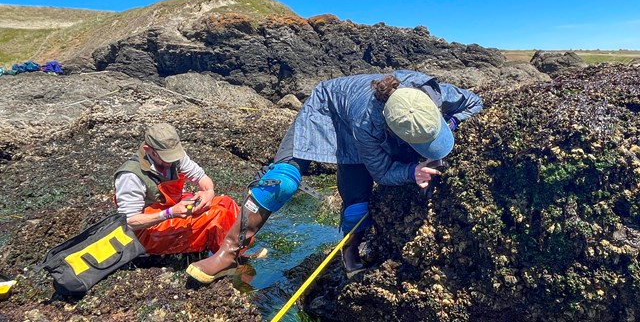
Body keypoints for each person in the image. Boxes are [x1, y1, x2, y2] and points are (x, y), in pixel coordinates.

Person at [186, 70, 483, 283]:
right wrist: (411, 170)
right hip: (327, 108)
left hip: (370, 112)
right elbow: (380, 171)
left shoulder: (434, 92)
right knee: (284, 183)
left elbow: (475, 102)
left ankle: (350, 251)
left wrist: (450, 123)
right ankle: (228, 254)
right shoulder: (367, 125)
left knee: (360, 204)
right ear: (390, 131)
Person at [114, 123, 239, 256]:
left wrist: (209, 192)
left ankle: (241, 249)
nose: (171, 160)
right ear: (148, 150)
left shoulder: (174, 155)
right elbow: (129, 222)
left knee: (227, 203)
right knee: (217, 216)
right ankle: (229, 260)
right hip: (147, 231)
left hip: (171, 209)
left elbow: (201, 177)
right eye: (166, 157)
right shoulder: (130, 175)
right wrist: (170, 213)